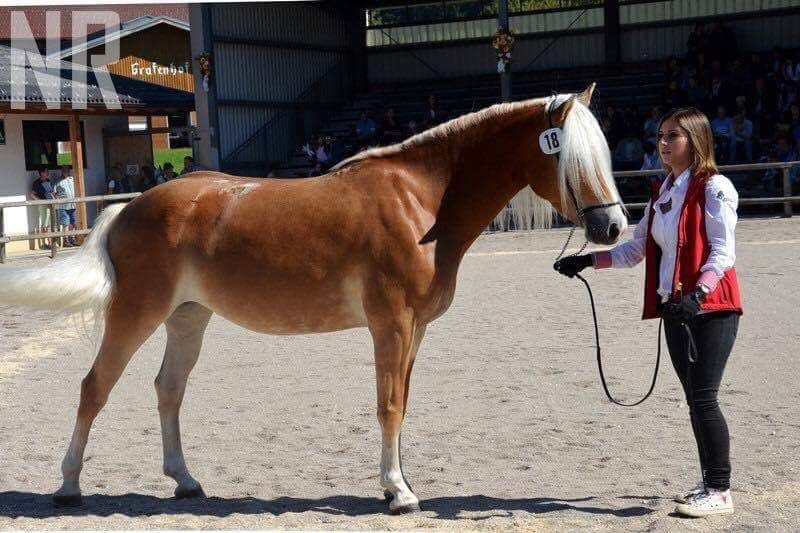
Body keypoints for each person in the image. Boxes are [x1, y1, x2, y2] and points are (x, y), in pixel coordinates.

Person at [555, 107, 743, 518]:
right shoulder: (663, 192)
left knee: (704, 398)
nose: (663, 143)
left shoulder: (714, 187)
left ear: (695, 140)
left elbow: (723, 252)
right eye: (660, 135)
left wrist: (698, 293)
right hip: (676, 309)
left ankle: (720, 490)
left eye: (673, 135)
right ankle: (709, 481)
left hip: (711, 308)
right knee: (695, 400)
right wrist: (588, 260)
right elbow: (637, 249)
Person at [31, 169, 54, 250]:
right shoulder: (36, 183)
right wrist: (40, 201)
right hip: (43, 205)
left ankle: (50, 243)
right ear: (41, 173)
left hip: (50, 204)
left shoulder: (48, 180)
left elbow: (50, 192)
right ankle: (44, 244)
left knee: (49, 224)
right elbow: (32, 195)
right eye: (46, 172)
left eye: (48, 171)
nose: (48, 173)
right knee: (44, 224)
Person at [54, 166, 77, 247]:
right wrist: (57, 202)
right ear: (61, 171)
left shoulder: (72, 179)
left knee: (72, 222)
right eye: (63, 169)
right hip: (63, 205)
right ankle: (65, 240)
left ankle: (72, 238)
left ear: (69, 170)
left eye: (67, 169)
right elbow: (53, 193)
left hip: (73, 204)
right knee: (65, 223)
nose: (65, 171)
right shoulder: (57, 181)